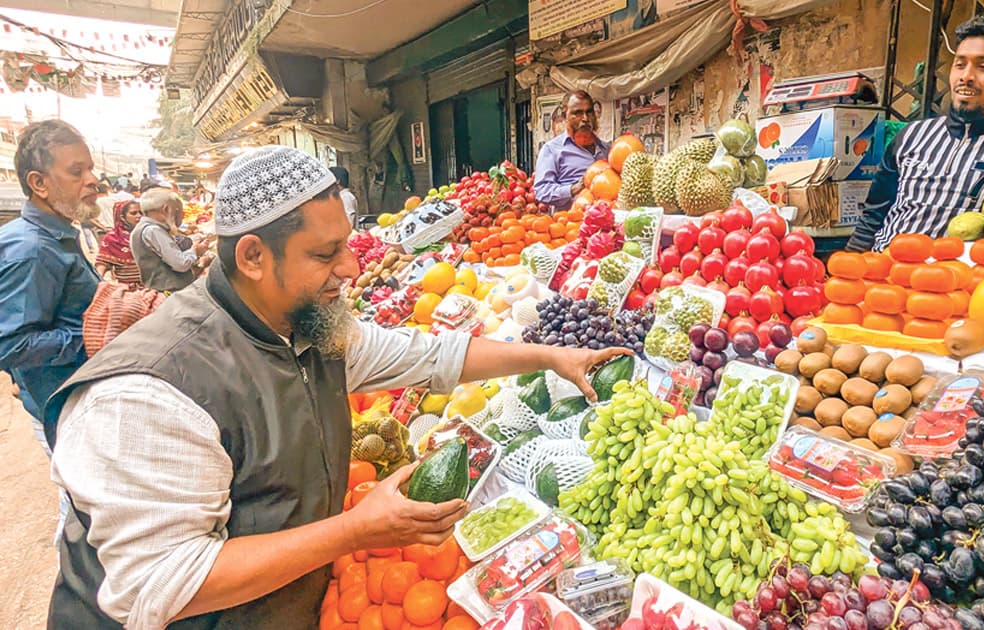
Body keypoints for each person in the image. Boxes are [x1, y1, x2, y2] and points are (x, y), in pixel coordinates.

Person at [44, 145, 629, 628]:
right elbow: (160, 585)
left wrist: (553, 355)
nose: (350, 268)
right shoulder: (148, 394)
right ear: (252, 256)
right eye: (326, 254)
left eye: (347, 244)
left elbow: (430, 355)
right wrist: (356, 530)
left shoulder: (306, 330)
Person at [846, 15, 984, 252]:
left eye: (983, 67)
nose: (966, 76)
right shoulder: (911, 137)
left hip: (959, 281)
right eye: (960, 64)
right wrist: (848, 268)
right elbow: (873, 214)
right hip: (886, 273)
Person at [0, 119, 101, 450]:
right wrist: (92, 334)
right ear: (39, 183)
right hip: (66, 412)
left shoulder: (58, 235)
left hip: (76, 402)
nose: (93, 180)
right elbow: (9, 345)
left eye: (90, 169)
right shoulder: (32, 249)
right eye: (77, 172)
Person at [534, 90, 610, 210]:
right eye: (577, 113)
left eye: (589, 112)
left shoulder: (607, 149)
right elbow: (542, 191)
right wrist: (574, 189)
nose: (585, 118)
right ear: (565, 116)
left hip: (605, 222)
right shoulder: (552, 150)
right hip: (570, 223)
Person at [130, 188, 207, 293]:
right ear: (165, 209)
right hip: (169, 291)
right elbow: (181, 264)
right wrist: (195, 250)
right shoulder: (153, 230)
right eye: (175, 210)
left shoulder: (144, 228)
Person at [95, 200, 144, 288]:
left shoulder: (147, 234)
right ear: (122, 217)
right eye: (133, 213)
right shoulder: (113, 238)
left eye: (141, 213)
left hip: (152, 286)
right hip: (127, 289)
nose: (139, 216)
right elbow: (102, 263)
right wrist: (97, 284)